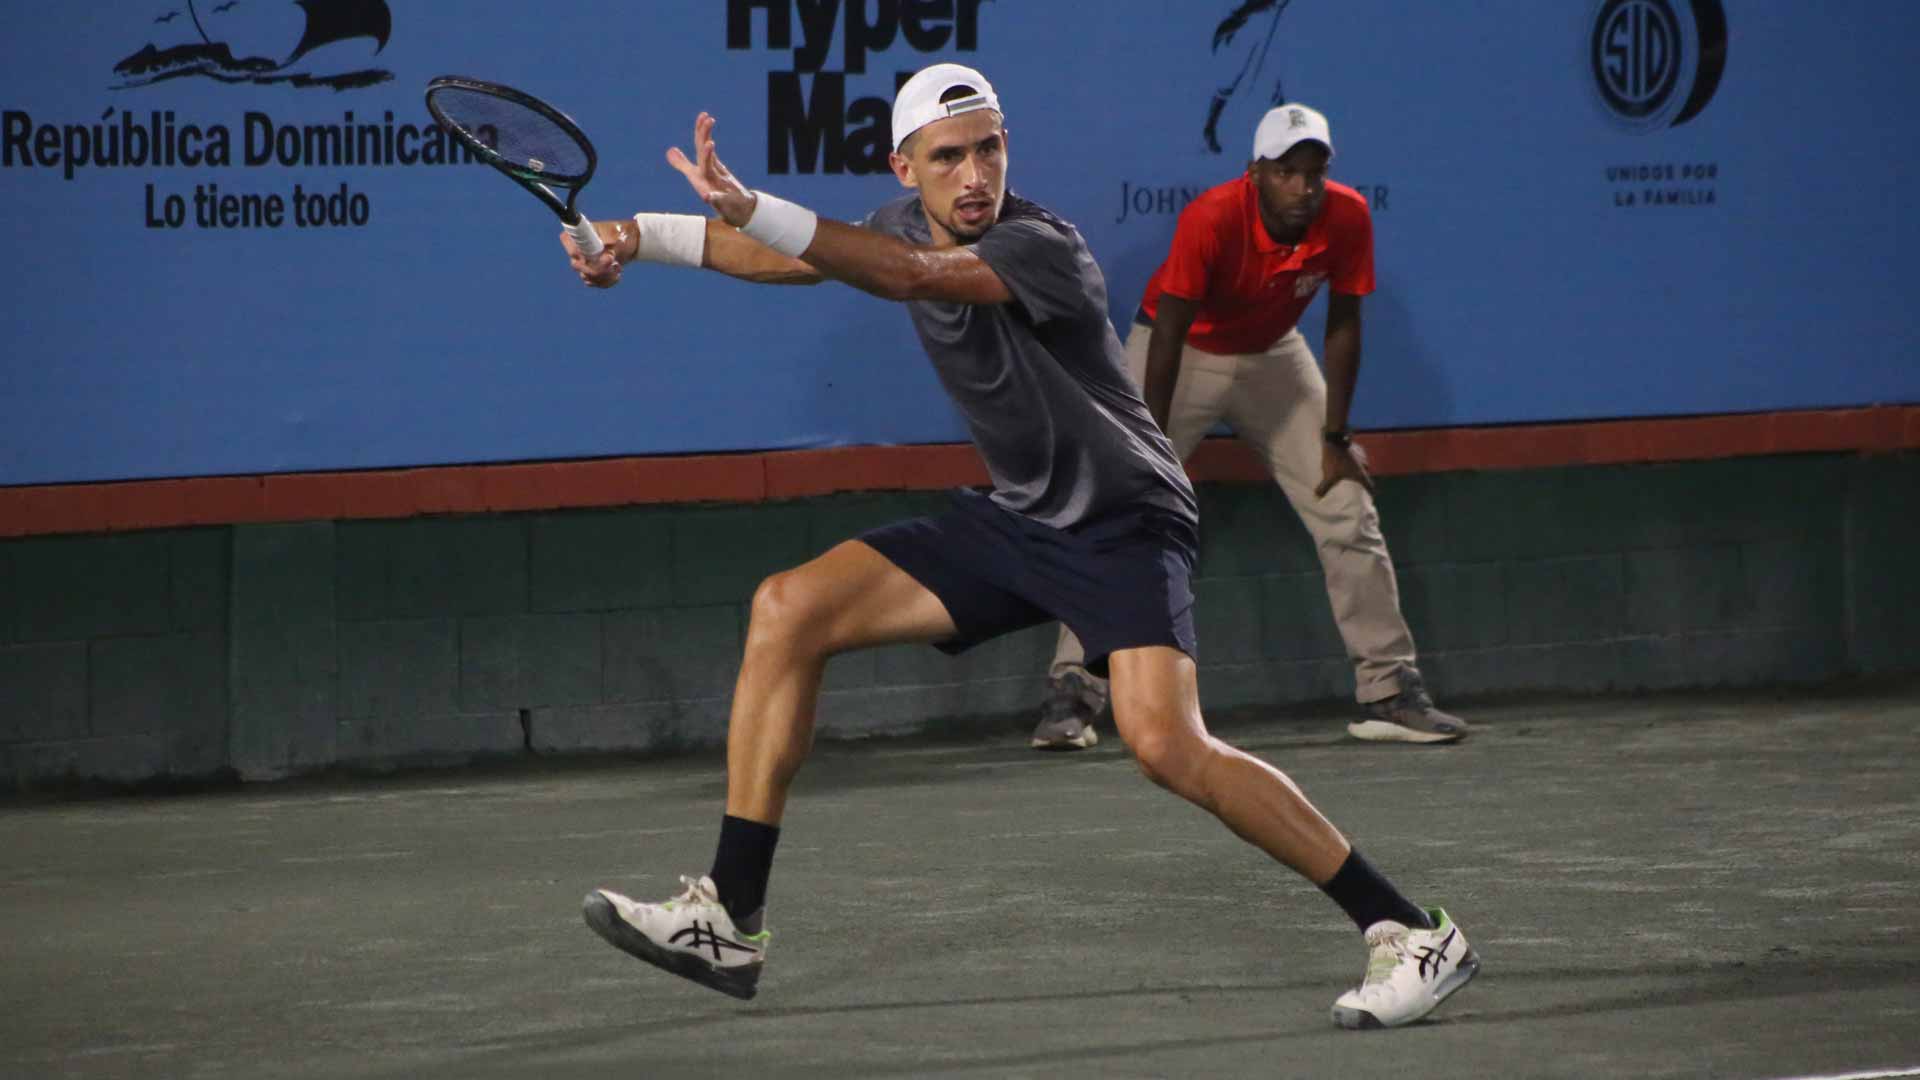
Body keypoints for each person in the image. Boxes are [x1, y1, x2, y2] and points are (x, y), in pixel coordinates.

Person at [561, 64, 1477, 1030]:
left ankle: (1410, 930)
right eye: (948, 156)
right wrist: (629, 237)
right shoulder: (899, 225)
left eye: (989, 149)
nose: (973, 175)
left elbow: (904, 273)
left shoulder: (1039, 245)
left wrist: (755, 203)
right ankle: (730, 917)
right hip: (1021, 517)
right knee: (790, 606)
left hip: (1124, 518)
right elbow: (778, 258)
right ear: (904, 168)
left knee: (1169, 747)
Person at [1031, 103, 1471, 752]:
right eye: (1288, 173)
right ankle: (1073, 690)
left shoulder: (1346, 215)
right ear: (1255, 173)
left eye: (1315, 172)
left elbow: (1345, 321)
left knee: (1346, 506)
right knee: (1119, 508)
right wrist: (1149, 445)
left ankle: (1389, 691)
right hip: (1176, 350)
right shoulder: (1211, 217)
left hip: (1273, 354)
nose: (1304, 187)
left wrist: (1335, 437)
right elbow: (1172, 327)